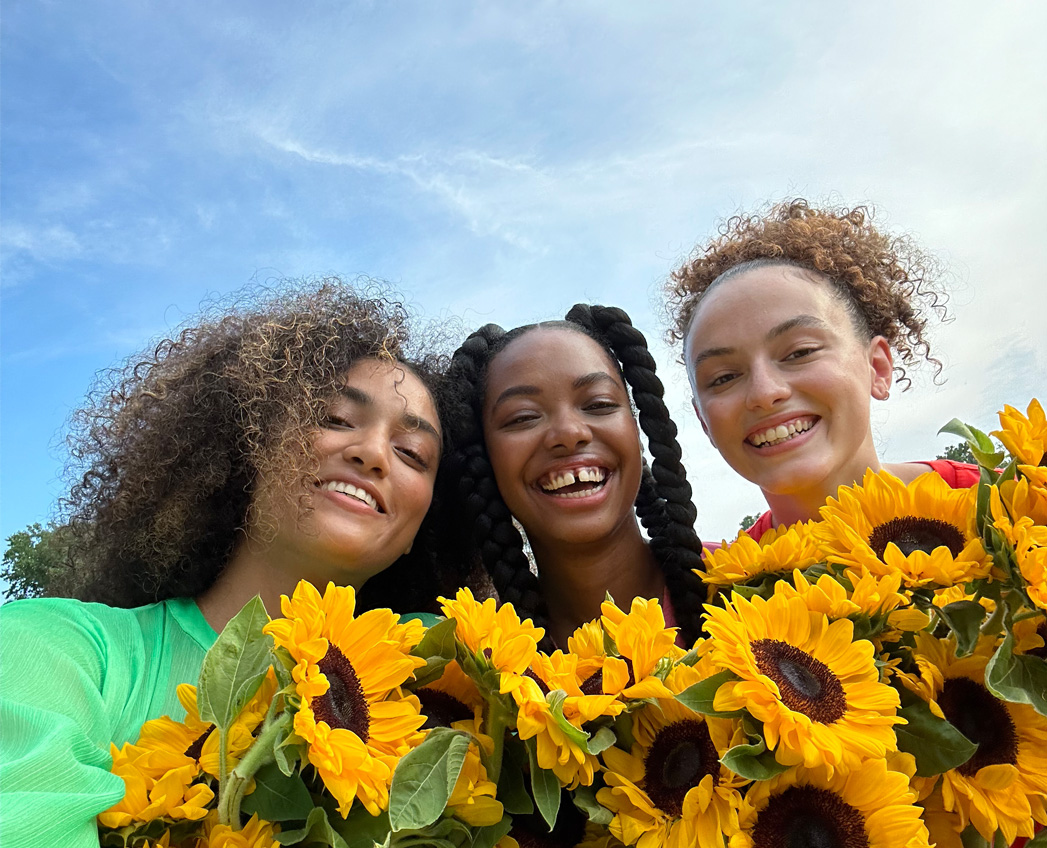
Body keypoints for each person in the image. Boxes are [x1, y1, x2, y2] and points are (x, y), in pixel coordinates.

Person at [0, 281, 460, 848]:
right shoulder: (64, 650)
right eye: (335, 418)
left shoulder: (451, 684)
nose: (372, 453)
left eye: (414, 455)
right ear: (249, 441)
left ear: (423, 528)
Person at [665, 198, 975, 537]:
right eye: (724, 377)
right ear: (704, 422)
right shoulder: (721, 587)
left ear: (878, 367)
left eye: (800, 352)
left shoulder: (1017, 504)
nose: (765, 393)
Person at [443, 304, 706, 650]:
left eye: (598, 404)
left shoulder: (762, 585)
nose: (568, 433)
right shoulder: (473, 669)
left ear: (636, 430)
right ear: (484, 460)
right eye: (522, 417)